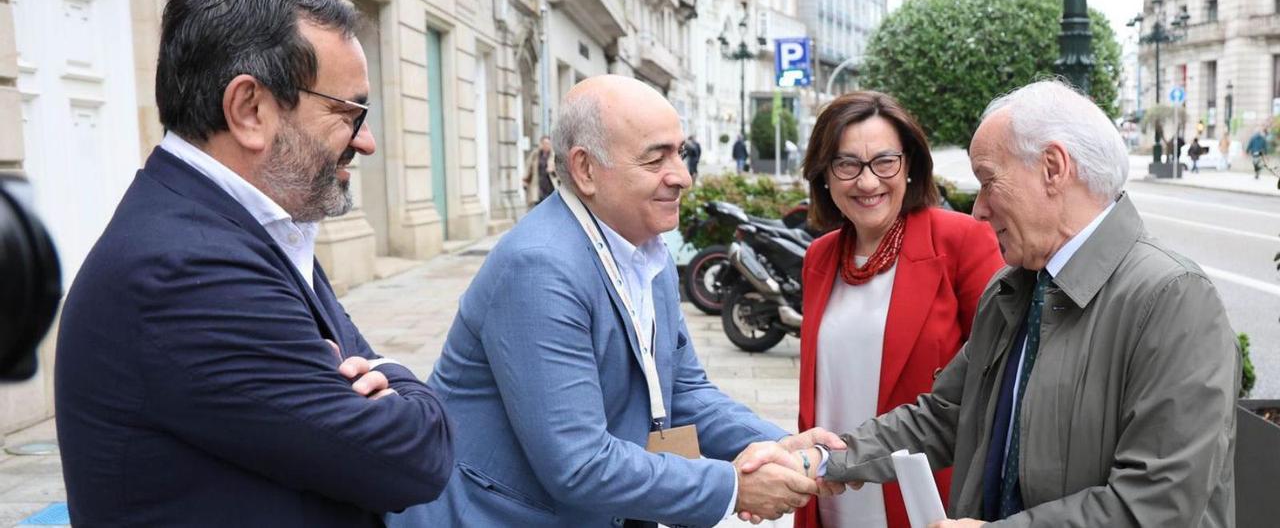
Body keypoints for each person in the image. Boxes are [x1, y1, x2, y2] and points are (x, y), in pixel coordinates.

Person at [752, 80, 1239, 527]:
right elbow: (945, 414)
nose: (979, 207)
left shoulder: (1174, 299)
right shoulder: (1017, 287)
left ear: (1052, 168)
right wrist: (828, 458)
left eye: (988, 180)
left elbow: (1159, 502)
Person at [55, 0, 453, 525]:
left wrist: (390, 382)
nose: (366, 141)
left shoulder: (245, 227)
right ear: (250, 109)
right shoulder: (189, 269)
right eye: (349, 111)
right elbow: (413, 461)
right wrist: (406, 384)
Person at [388, 75, 845, 527]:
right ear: (586, 169)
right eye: (655, 159)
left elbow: (684, 393)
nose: (682, 177)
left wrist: (783, 446)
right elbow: (579, 464)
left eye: (680, 153)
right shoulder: (540, 267)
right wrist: (733, 487)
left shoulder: (648, 250)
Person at [794, 92, 1005, 528]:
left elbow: (999, 380)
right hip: (831, 490)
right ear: (825, 176)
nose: (867, 182)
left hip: (926, 502)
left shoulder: (961, 242)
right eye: (847, 164)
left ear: (909, 167)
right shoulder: (819, 257)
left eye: (884, 161)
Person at [523, 135, 557, 206]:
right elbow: (529, 168)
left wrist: (553, 170)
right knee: (539, 206)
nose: (546, 145)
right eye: (544, 143)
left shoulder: (554, 156)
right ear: (541, 144)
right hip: (538, 186)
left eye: (548, 144)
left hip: (550, 188)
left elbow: (560, 172)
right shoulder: (535, 155)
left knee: (550, 208)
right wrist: (525, 181)